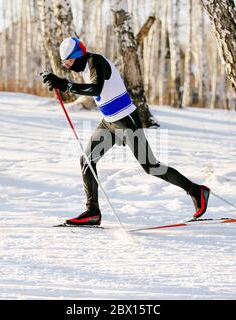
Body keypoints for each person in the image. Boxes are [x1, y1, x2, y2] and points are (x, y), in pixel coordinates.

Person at [42, 37, 210, 226]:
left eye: (69, 62)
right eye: (65, 64)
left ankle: (196, 191)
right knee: (87, 160)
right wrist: (59, 83)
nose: (68, 67)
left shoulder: (95, 61)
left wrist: (66, 85)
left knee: (150, 166)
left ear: (78, 55)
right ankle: (92, 212)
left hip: (126, 120)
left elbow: (96, 88)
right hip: (109, 123)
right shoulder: (85, 67)